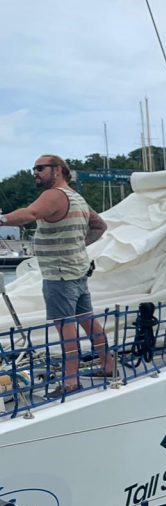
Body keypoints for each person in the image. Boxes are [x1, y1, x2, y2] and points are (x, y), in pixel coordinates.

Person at [0, 154, 113, 395]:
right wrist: (78, 246)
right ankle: (108, 365)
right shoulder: (76, 197)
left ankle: (71, 381)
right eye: (34, 168)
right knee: (88, 320)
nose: (35, 173)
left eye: (40, 168)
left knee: (66, 328)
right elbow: (100, 226)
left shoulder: (54, 195)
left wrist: (2, 219)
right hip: (77, 271)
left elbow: (30, 215)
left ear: (58, 170)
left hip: (59, 275)